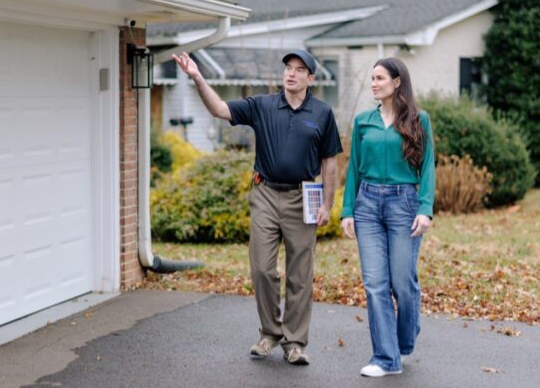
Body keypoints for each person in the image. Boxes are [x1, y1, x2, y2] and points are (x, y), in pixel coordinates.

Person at [173, 49, 342, 365]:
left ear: (311, 78)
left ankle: (294, 343)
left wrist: (327, 204)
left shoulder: (322, 113)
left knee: (299, 274)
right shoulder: (262, 105)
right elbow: (219, 109)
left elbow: (329, 161)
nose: (291, 73)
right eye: (288, 68)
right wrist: (198, 77)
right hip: (264, 192)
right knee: (262, 268)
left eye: (299, 69)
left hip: (303, 195)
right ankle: (269, 333)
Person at [340, 57, 435, 377]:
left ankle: (404, 339)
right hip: (367, 205)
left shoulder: (419, 120)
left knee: (402, 283)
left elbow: (428, 167)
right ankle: (385, 357)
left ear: (397, 83)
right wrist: (347, 210)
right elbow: (353, 168)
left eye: (380, 78)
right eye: (372, 78)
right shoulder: (363, 122)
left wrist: (425, 209)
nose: (374, 83)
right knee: (375, 284)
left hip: (403, 205)